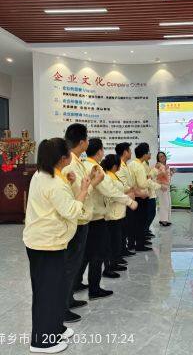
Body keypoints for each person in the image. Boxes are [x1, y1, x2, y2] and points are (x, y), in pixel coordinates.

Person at [23, 138, 91, 353]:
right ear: (62, 158)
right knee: (48, 293)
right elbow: (71, 210)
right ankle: (42, 342)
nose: (71, 155)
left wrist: (69, 182)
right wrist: (83, 189)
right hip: (47, 245)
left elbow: (56, 201)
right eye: (69, 153)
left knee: (53, 289)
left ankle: (55, 328)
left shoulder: (43, 174)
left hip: (47, 242)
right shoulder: (53, 182)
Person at [80, 138, 137, 299]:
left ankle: (77, 282)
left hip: (88, 216)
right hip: (96, 217)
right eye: (102, 150)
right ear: (99, 151)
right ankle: (94, 289)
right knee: (98, 253)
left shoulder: (83, 165)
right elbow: (109, 190)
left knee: (86, 253)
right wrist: (129, 201)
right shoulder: (95, 168)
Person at [62, 123, 104, 324]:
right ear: (81, 142)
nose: (88, 142)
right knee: (70, 264)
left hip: (82, 218)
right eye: (87, 139)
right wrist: (94, 182)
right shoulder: (70, 163)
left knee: (75, 262)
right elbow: (79, 192)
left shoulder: (77, 161)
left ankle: (68, 299)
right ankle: (63, 307)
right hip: (76, 220)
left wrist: (91, 180)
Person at [101, 154, 132, 276]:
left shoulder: (113, 175)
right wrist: (128, 200)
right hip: (112, 214)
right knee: (111, 242)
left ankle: (114, 262)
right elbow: (112, 194)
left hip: (118, 213)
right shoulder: (108, 177)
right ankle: (108, 267)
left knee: (116, 240)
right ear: (115, 166)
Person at [128, 142, 157, 251]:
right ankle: (140, 244)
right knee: (141, 221)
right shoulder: (139, 166)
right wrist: (149, 180)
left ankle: (132, 243)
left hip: (134, 195)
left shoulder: (131, 164)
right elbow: (143, 184)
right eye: (148, 152)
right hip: (141, 197)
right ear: (144, 154)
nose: (149, 154)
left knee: (134, 221)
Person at [115, 142, 138, 257]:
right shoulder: (119, 165)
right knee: (124, 227)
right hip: (124, 201)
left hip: (129, 199)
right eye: (129, 150)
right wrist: (131, 189)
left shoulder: (125, 165)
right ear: (125, 152)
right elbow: (122, 186)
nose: (131, 152)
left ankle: (124, 248)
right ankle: (122, 250)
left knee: (127, 226)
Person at [155, 151, 175, 226]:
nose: (163, 157)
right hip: (162, 186)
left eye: (163, 156)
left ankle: (166, 219)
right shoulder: (158, 165)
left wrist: (171, 173)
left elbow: (166, 177)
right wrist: (165, 170)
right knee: (164, 203)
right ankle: (163, 220)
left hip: (167, 186)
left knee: (168, 203)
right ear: (158, 159)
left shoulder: (165, 165)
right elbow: (156, 176)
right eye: (160, 156)